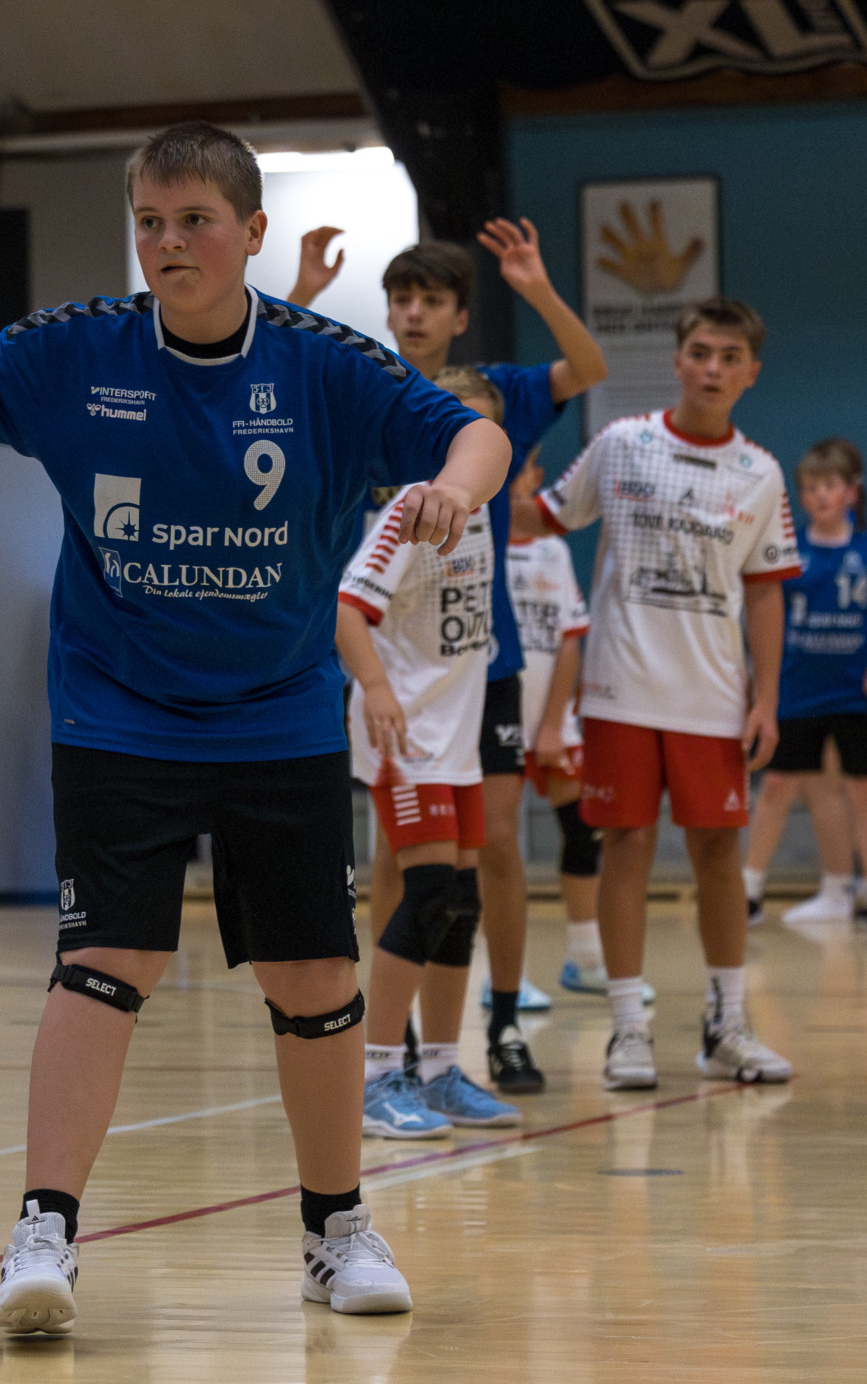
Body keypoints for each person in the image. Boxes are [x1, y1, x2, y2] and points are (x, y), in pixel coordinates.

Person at [0, 120, 506, 1336]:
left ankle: (336, 1229)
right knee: (105, 960)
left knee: (315, 973)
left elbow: (475, 433)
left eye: (195, 221)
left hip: (278, 716)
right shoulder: (78, 350)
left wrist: (454, 486)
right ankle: (44, 1232)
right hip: (118, 711)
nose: (170, 242)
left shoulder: (325, 364)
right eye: (152, 221)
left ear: (252, 233)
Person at [289, 226, 607, 1098]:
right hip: (393, 662)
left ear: (461, 316)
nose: (415, 313)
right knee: (406, 861)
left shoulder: (490, 396)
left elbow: (588, 368)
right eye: (402, 298)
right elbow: (271, 370)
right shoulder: (362, 389)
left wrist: (536, 286)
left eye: (432, 300)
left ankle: (493, 1028)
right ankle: (389, 1055)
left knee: (488, 849)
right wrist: (304, 291)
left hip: (478, 665)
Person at [537, 298, 798, 1091]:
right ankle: (627, 1029)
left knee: (719, 853)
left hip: (712, 698)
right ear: (679, 361)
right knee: (626, 846)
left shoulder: (762, 473)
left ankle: (726, 1026)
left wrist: (765, 700)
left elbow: (766, 592)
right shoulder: (622, 442)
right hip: (619, 690)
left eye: (730, 357)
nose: (713, 368)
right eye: (702, 353)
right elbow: (545, 519)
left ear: (752, 373)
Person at [338, 368, 519, 1138]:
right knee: (429, 893)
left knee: (460, 903)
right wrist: (378, 689)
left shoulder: (483, 515)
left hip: (457, 735)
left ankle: (442, 1070)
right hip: (404, 732)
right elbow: (347, 609)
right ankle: (378, 1074)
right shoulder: (409, 511)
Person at [752, 438, 867, 929]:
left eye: (829, 486)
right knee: (778, 785)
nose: (820, 496)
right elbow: (765, 614)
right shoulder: (787, 549)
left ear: (850, 491)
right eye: (810, 488)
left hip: (856, 694)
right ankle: (747, 890)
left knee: (865, 790)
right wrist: (761, 682)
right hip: (798, 690)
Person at [504, 453, 616, 1002]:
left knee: (582, 828)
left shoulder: (553, 550)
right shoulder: (473, 542)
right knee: (494, 849)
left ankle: (586, 960)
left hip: (550, 722)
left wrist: (553, 724)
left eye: (521, 464)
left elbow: (571, 639)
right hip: (490, 722)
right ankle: (497, 977)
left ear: (536, 477)